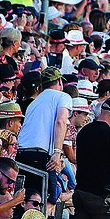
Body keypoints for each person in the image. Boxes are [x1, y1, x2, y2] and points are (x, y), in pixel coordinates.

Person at [16, 66, 71, 209]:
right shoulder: (63, 96)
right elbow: (60, 122)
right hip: (38, 154)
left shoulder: (34, 102)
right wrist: (57, 152)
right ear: (59, 81)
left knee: (27, 199)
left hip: (21, 154)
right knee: (50, 197)